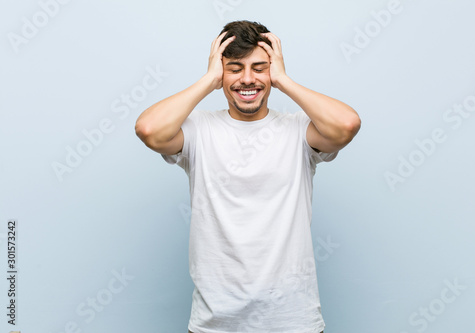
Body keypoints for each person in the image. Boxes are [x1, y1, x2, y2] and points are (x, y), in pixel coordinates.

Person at [135, 20, 360, 333]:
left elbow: (347, 125)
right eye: (235, 68)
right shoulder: (199, 129)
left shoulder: (299, 130)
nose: (248, 79)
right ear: (220, 72)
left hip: (293, 322)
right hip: (215, 324)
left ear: (273, 70)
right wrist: (208, 79)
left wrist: (283, 80)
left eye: (259, 67)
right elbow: (149, 130)